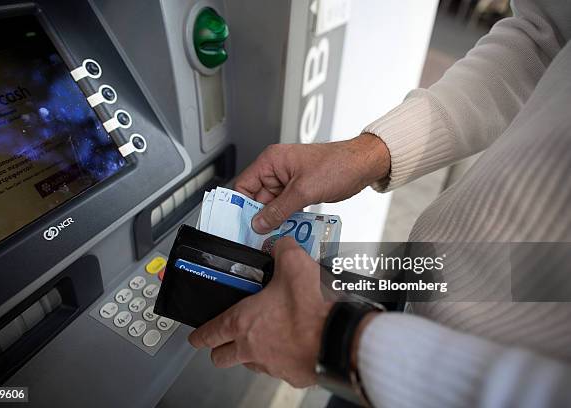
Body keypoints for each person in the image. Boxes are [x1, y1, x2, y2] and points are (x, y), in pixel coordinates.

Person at [189, 0, 571, 406]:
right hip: (408, 306)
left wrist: (343, 343)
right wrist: (366, 155)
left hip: (408, 374)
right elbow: (542, 38)